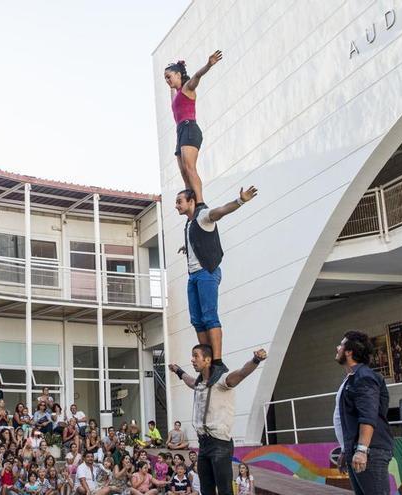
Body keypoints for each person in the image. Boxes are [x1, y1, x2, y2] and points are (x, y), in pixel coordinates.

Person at [175, 186, 257, 384]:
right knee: (196, 319)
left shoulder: (203, 215)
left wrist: (240, 200)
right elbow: (199, 240)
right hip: (193, 275)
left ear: (191, 201)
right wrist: (188, 247)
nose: (176, 205)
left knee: (209, 316)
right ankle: (206, 361)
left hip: (206, 273)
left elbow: (220, 211)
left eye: (180, 201)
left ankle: (217, 361)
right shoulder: (189, 224)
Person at [168, 344, 267, 495]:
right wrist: (177, 370)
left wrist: (256, 360)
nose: (192, 359)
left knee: (224, 490)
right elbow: (188, 380)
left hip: (219, 443)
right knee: (206, 489)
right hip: (203, 444)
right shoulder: (200, 384)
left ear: (207, 360)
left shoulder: (222, 381)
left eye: (196, 356)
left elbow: (241, 373)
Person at [334, 331, 394, 495]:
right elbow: (349, 419)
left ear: (349, 351)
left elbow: (368, 416)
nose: (337, 348)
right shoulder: (352, 378)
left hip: (370, 452)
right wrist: (346, 450)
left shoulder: (364, 377)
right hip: (358, 449)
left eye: (341, 344)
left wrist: (361, 450)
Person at [162, 52, 221, 206]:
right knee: (183, 172)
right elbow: (172, 93)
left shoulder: (187, 88)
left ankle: (200, 202)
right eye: (165, 78)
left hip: (190, 128)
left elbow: (196, 77)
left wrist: (208, 64)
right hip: (180, 132)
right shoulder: (176, 95)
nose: (167, 80)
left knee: (190, 167)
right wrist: (172, 74)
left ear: (178, 74)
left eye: (169, 76)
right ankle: (191, 202)